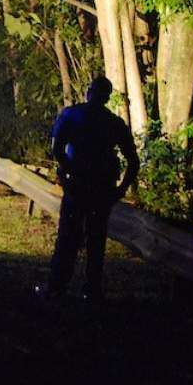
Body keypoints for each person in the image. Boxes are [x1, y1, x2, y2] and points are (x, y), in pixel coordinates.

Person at [40, 76, 140, 301]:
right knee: (96, 240)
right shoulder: (113, 122)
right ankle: (91, 289)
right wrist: (120, 189)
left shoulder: (72, 115)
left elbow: (57, 148)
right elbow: (133, 161)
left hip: (78, 185)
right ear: (106, 97)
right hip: (101, 189)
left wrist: (66, 170)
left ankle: (57, 287)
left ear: (89, 92)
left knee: (68, 238)